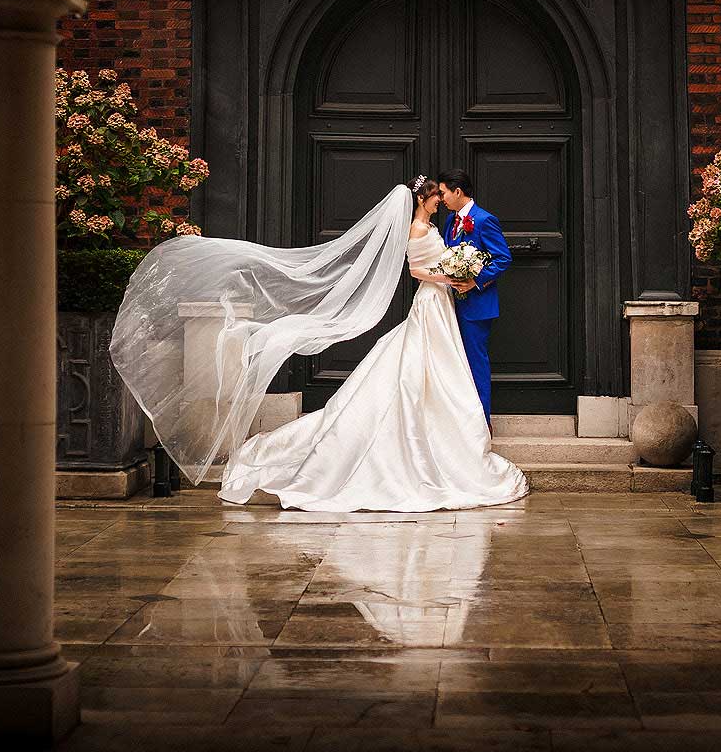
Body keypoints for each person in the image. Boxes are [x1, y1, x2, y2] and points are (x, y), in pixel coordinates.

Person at [108, 176, 528, 511]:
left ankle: (450, 423)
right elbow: (419, 272)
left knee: (439, 366)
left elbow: (475, 255)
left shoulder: (443, 224)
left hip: (444, 305)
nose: (439, 201)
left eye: (442, 195)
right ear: (424, 200)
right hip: (433, 300)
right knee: (421, 365)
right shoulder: (420, 227)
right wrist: (450, 276)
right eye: (435, 197)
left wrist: (462, 273)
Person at [435, 168, 511, 423]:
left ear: (458, 191)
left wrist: (475, 281)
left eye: (444, 193)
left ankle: (482, 423)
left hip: (477, 306)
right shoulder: (450, 221)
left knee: (475, 363)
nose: (441, 198)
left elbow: (503, 258)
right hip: (449, 304)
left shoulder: (484, 220)